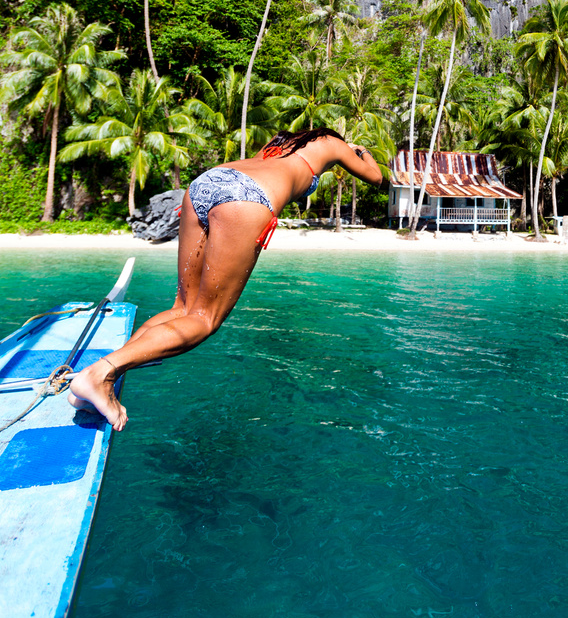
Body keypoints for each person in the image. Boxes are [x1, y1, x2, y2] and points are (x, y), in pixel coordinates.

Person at [67, 128, 383, 431]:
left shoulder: (283, 143)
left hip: (209, 182)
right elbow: (376, 177)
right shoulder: (333, 143)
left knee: (182, 307)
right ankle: (100, 375)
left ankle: (99, 377)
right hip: (246, 198)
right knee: (205, 319)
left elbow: (257, 168)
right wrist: (359, 151)